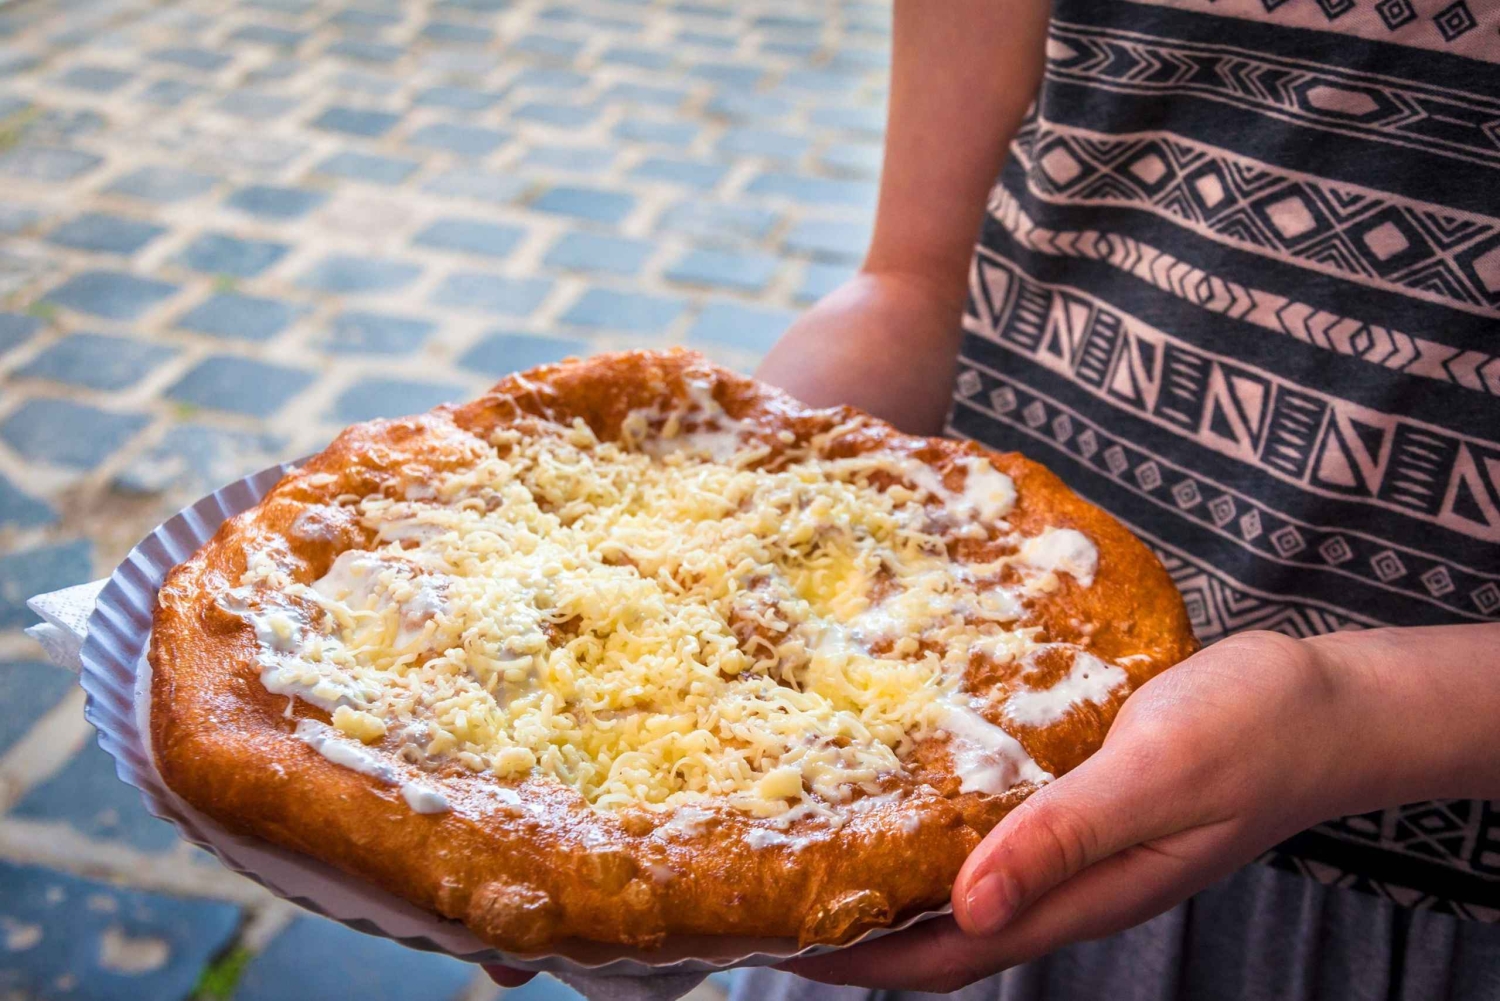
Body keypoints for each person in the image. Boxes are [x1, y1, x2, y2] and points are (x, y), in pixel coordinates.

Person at [490, 2, 1500, 996]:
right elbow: (912, 282)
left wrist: (1347, 712)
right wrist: (746, 498)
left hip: (1423, 907)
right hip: (919, 777)